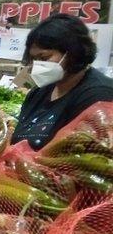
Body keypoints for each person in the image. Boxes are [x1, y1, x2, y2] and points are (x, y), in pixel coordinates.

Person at [12, 13, 113, 150]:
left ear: (72, 52)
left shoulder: (99, 95)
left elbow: (90, 153)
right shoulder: (38, 92)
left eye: (44, 58)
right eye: (34, 59)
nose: (37, 65)